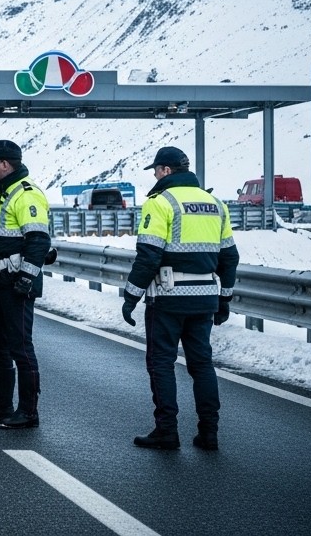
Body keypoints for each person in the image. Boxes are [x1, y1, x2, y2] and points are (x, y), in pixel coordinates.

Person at [120, 146, 239, 451]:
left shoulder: (161, 203)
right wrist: (224, 298)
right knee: (202, 365)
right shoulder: (216, 203)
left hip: (169, 299)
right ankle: (209, 433)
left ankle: (166, 431)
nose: (156, 175)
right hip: (205, 298)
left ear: (167, 171)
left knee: (161, 362)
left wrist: (131, 296)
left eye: (157, 170)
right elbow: (229, 257)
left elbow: (148, 256)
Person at [0, 139, 52, 429]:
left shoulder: (26, 194)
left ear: (5, 164)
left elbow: (39, 240)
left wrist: (26, 279)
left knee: (20, 346)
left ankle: (28, 412)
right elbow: (1, 231)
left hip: (17, 281)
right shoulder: (4, 194)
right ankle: (1, 405)